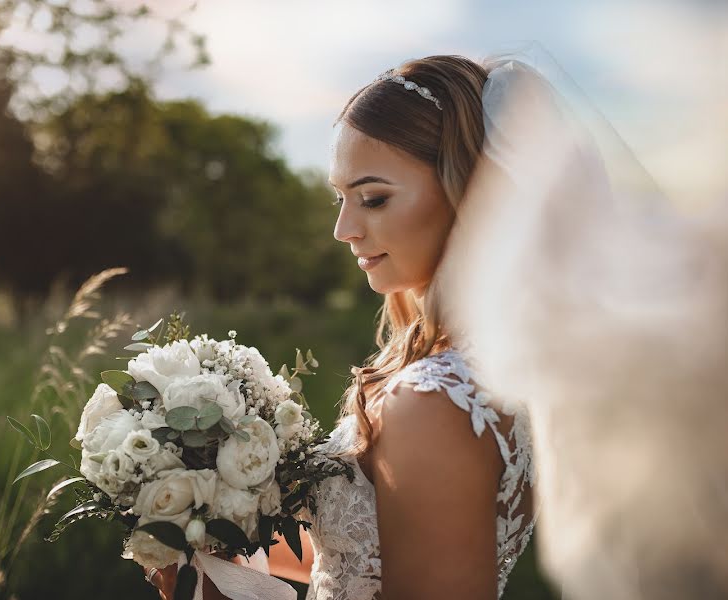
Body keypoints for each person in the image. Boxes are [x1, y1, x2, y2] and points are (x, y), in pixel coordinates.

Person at [150, 53, 539, 600]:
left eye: (373, 198)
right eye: (341, 198)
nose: (343, 229)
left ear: (466, 193)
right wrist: (215, 537)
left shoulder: (432, 403)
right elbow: (366, 553)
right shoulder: (488, 366)